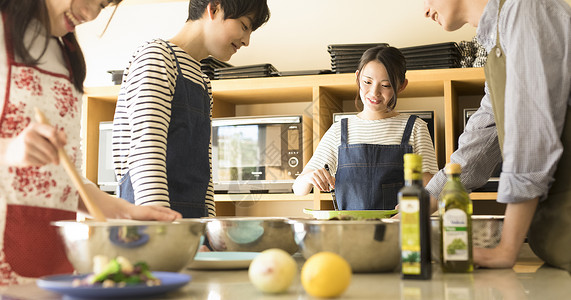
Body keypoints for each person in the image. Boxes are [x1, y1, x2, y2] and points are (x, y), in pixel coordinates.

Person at [0, 0, 182, 286]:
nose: (91, 15)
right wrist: (9, 149)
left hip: (54, 258)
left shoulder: (65, 56)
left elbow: (66, 182)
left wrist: (127, 211)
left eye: (104, 5)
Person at [422, 0, 571, 271]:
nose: (425, 10)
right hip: (557, 245)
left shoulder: (525, 9)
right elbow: (479, 143)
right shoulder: (496, 42)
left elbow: (531, 135)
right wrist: (415, 209)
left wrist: (506, 249)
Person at [112, 0, 270, 218]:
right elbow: (146, 152)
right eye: (244, 26)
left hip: (189, 224)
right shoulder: (157, 57)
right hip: (150, 223)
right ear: (214, 8)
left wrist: (209, 226)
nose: (247, 41)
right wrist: (162, 229)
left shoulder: (203, 81)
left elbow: (204, 170)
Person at [292, 45, 439, 210]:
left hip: (399, 229)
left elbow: (432, 190)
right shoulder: (339, 130)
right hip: (351, 231)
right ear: (357, 78)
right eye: (367, 82)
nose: (374, 92)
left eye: (386, 85)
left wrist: (411, 209)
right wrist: (310, 177)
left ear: (401, 86)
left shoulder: (415, 127)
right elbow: (299, 189)